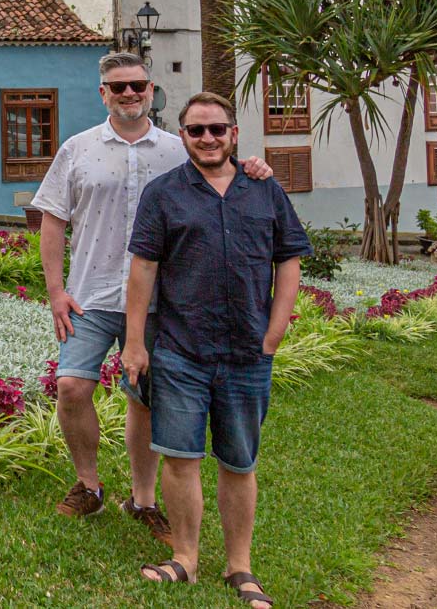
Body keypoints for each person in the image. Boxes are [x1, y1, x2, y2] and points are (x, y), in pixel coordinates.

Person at [31, 50, 272, 540]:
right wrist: (56, 291)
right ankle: (89, 485)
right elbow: (53, 221)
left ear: (151, 90)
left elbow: (220, 164)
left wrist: (255, 167)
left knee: (144, 400)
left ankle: (142, 500)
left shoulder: (177, 147)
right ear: (104, 93)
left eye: (138, 85)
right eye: (118, 86)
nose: (129, 94)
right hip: (90, 296)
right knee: (72, 386)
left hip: (164, 301)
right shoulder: (77, 149)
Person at [122, 91, 310, 608]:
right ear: (182, 136)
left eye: (217, 129)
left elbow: (289, 258)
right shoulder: (163, 194)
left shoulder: (263, 190)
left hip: (248, 351)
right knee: (180, 458)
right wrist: (135, 343)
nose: (208, 138)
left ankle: (240, 567)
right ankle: (184, 559)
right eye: (196, 130)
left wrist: (275, 332)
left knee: (238, 461)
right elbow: (143, 267)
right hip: (182, 349)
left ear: (234, 134)